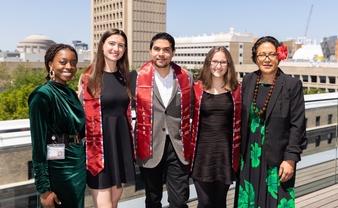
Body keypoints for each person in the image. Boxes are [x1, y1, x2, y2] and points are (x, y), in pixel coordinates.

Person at [235, 36, 307, 208]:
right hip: (249, 154)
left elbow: (298, 125)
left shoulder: (292, 85)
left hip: (278, 156)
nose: (266, 59)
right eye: (262, 55)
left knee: (275, 201)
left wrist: (291, 159)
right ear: (255, 58)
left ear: (279, 57)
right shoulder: (248, 81)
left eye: (271, 54)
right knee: (249, 200)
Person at [130, 32, 194, 208]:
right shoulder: (135, 77)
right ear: (150, 50)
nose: (161, 53)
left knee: (179, 201)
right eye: (157, 49)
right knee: (152, 200)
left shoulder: (186, 77)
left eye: (166, 50)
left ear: (173, 52)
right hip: (149, 146)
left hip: (178, 146)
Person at [78, 29, 135, 208]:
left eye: (121, 45)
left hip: (121, 145)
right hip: (99, 150)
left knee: (114, 202)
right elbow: (79, 114)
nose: (116, 48)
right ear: (102, 46)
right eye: (112, 43)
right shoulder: (89, 78)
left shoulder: (125, 77)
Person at [28, 44, 86, 208]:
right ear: (50, 64)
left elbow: (79, 129)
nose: (69, 67)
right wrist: (44, 188)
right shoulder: (42, 95)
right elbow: (38, 146)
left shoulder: (70, 93)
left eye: (73, 63)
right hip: (59, 168)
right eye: (63, 62)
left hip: (78, 163)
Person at [190, 46, 241, 208]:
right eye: (215, 61)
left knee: (219, 203)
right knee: (204, 203)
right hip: (202, 153)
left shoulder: (237, 90)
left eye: (223, 62)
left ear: (228, 65)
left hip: (225, 153)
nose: (218, 66)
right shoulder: (196, 88)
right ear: (208, 63)